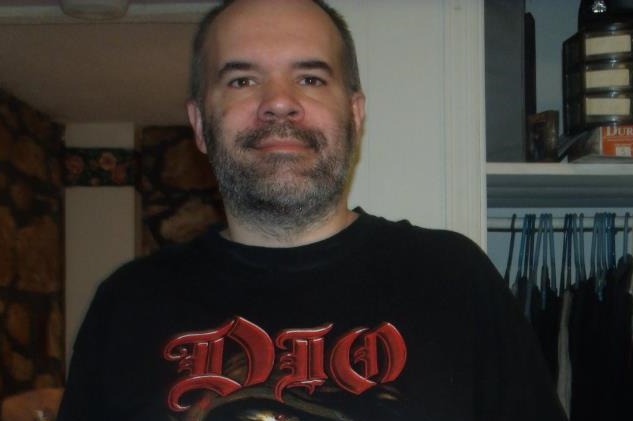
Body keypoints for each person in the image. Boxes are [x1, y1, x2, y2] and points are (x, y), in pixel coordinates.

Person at [57, 0, 568, 420]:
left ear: (355, 115)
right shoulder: (127, 302)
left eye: (310, 78)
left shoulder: (455, 279)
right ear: (199, 123)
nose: (278, 102)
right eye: (242, 80)